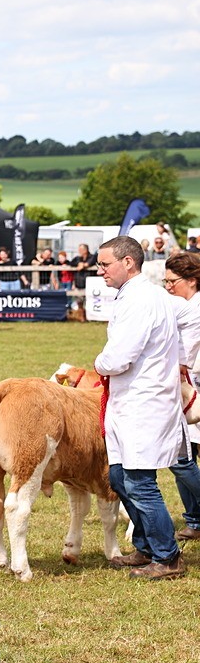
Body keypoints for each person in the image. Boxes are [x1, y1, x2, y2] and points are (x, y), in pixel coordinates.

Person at [95, 236, 187, 579]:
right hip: (133, 398)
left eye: (105, 264)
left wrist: (99, 362)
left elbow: (119, 356)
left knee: (138, 480)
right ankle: (148, 547)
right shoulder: (145, 295)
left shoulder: (141, 300)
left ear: (128, 263)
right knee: (119, 476)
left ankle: (167, 557)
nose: (100, 270)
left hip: (143, 399)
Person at [163, 253, 200, 541]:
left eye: (172, 281)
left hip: (193, 387)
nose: (167, 286)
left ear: (191, 280)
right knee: (183, 458)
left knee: (182, 460)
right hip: (185, 390)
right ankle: (195, 520)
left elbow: (185, 357)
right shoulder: (180, 306)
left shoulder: (195, 310)